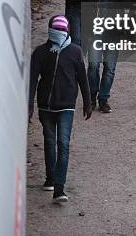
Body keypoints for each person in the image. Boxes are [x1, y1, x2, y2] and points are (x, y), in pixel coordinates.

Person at [29, 15, 92, 204]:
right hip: (46, 106)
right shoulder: (40, 53)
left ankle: (59, 188)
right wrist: (29, 105)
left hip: (66, 107)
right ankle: (50, 178)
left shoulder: (75, 52)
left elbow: (82, 78)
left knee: (63, 143)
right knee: (49, 142)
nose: (59, 34)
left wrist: (88, 102)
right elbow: (32, 80)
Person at [87, 0, 132, 113]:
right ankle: (91, 94)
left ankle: (103, 98)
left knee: (110, 67)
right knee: (93, 64)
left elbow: (127, 1)